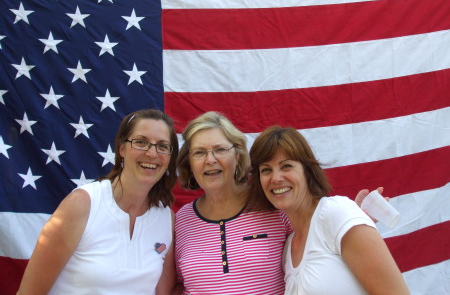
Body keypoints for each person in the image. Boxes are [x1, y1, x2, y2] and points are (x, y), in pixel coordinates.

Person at [174, 111, 381, 295]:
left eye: (219, 149)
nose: (210, 160)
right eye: (199, 152)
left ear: (237, 155)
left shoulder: (271, 203)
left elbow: (316, 235)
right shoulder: (181, 220)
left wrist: (350, 225)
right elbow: (177, 286)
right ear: (189, 162)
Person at [17, 109, 179, 295]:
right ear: (122, 149)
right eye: (141, 142)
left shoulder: (165, 218)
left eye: (162, 146)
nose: (152, 153)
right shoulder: (82, 204)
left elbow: (164, 293)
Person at [249, 126, 410, 295]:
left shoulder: (336, 213)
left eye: (286, 166)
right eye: (266, 170)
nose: (276, 178)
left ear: (307, 171)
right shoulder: (288, 249)